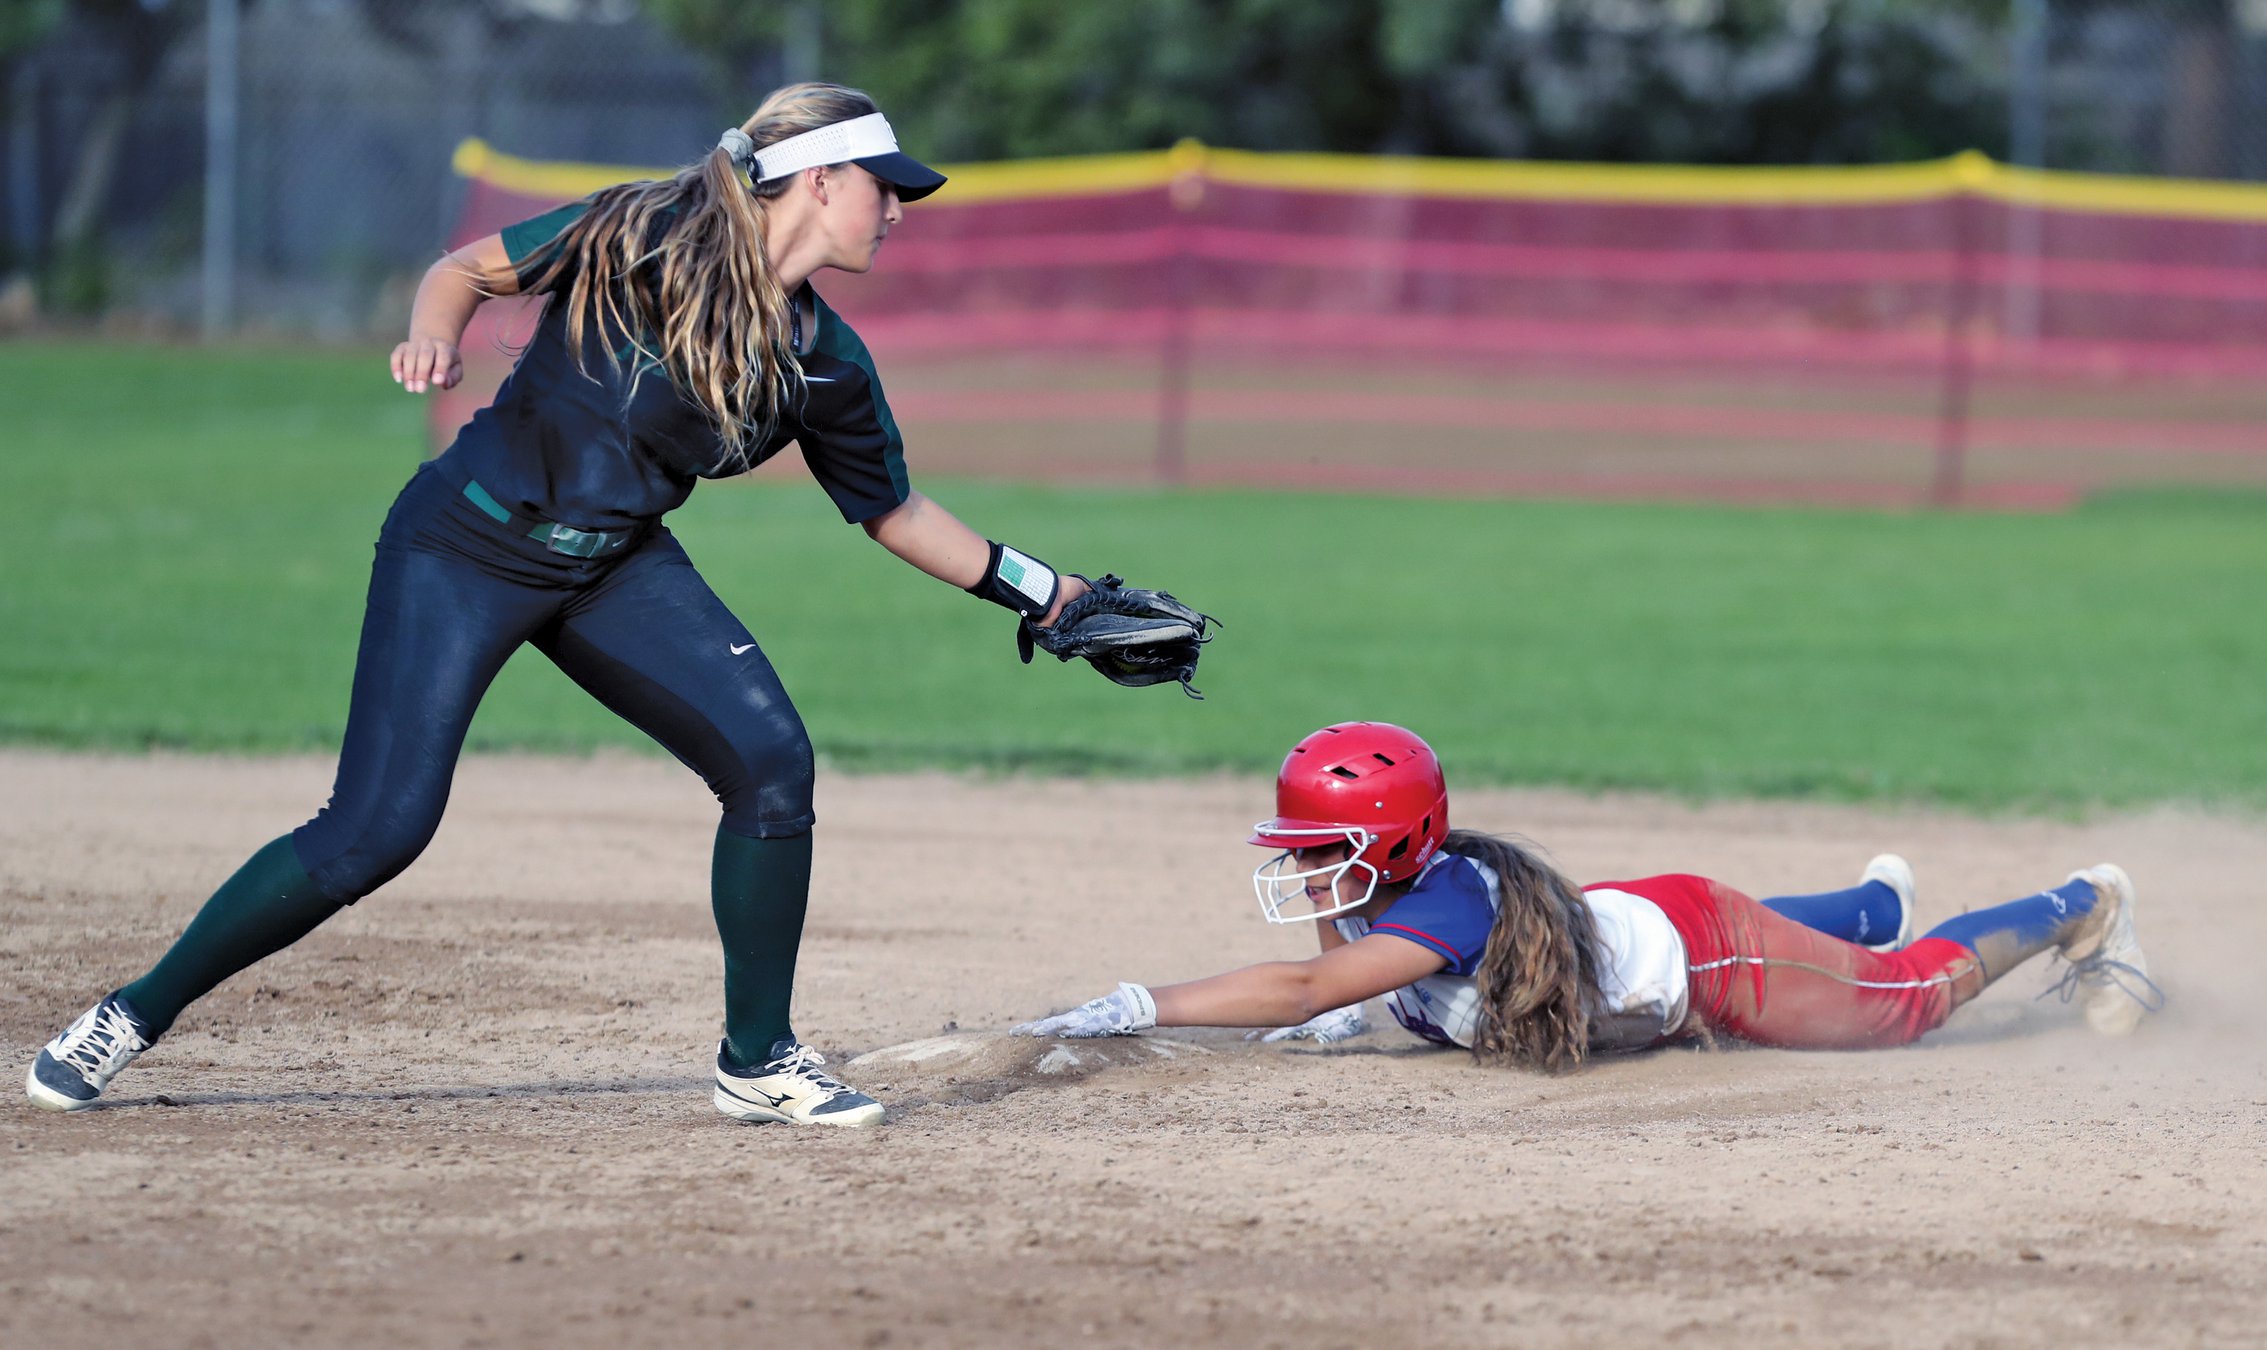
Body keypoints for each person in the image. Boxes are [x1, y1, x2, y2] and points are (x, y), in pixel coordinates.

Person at [29, 83, 1099, 1128]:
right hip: (465, 540)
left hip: (614, 566)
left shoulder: (824, 361)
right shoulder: (636, 228)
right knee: (376, 831)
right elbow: (464, 270)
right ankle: (127, 1016)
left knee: (771, 764)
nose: (897, 210)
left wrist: (1046, 594)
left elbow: (893, 512)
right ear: (820, 182)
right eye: (884, 186)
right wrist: (433, 333)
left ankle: (756, 1061)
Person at [1012, 722, 2161, 1063]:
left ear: (1391, 839)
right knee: (1791, 938)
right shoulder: (1414, 887)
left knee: (1903, 1001)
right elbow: (1336, 977)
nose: (1303, 866)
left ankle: (2078, 904)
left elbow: (1313, 985)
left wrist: (1137, 1003)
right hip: (1639, 914)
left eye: (1320, 849)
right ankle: (1866, 907)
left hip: (1712, 957)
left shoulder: (1450, 904)